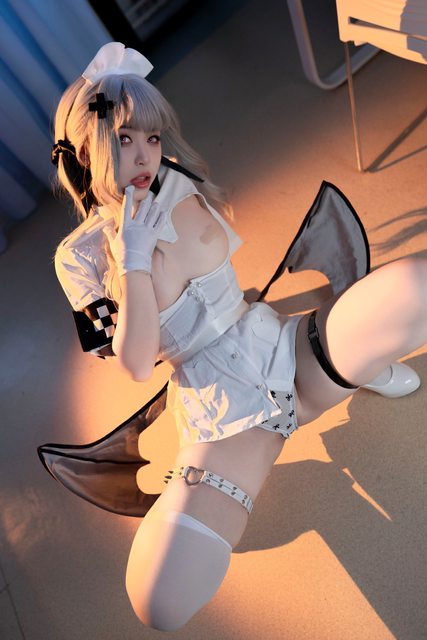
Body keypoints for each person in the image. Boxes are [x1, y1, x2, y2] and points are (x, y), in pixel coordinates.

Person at [51, 42, 425, 631]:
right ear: (86, 151)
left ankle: (357, 367)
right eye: (124, 139)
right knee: (159, 597)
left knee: (414, 285)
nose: (146, 155)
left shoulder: (174, 180)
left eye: (153, 136)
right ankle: (346, 376)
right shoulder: (81, 257)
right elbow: (135, 364)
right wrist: (134, 262)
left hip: (285, 348)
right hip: (221, 424)